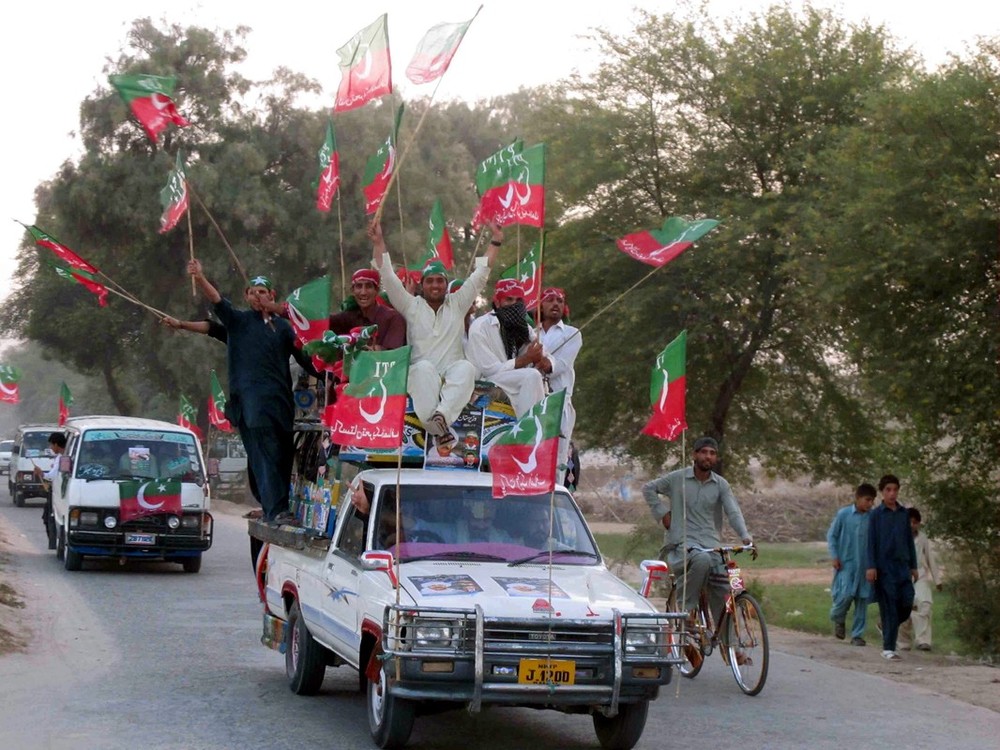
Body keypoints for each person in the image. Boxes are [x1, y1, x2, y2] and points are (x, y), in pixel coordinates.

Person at [187, 259, 320, 524]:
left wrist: (332, 370)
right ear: (246, 296)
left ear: (272, 295)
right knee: (266, 454)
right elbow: (217, 302)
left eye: (263, 291)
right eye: (252, 292)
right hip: (252, 406)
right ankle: (276, 511)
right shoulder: (238, 322)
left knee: (281, 457)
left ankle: (270, 504)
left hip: (281, 405)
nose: (257, 296)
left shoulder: (284, 327)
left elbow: (307, 359)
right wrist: (200, 277)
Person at [371, 221, 502, 449]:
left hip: (451, 373)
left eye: (440, 281)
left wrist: (496, 241)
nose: (435, 285)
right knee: (423, 369)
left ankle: (440, 419)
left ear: (446, 284)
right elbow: (388, 276)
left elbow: (481, 274)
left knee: (467, 368)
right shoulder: (410, 305)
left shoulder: (458, 303)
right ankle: (439, 429)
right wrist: (379, 242)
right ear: (422, 285)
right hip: (421, 375)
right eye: (430, 281)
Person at [642, 436, 753, 666]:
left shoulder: (720, 484)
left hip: (711, 544)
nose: (707, 457)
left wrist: (745, 537)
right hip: (681, 545)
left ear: (716, 457)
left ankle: (730, 646)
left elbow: (733, 511)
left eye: (712, 453)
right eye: (703, 452)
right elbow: (649, 488)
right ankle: (685, 612)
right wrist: (662, 514)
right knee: (701, 560)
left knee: (725, 586)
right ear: (694, 455)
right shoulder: (678, 479)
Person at [465, 279, 547, 418]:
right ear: (497, 302)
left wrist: (543, 358)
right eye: (509, 299)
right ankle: (528, 427)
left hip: (511, 379)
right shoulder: (480, 327)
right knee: (531, 376)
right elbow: (490, 370)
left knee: (536, 377)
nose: (514, 304)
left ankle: (536, 425)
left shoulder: (523, 327)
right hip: (486, 382)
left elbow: (541, 351)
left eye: (518, 300)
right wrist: (526, 359)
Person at [866, 473, 917, 661]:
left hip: (902, 567)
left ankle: (885, 625)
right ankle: (888, 648)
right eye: (888, 490)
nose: (892, 493)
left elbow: (909, 541)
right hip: (884, 568)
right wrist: (871, 566)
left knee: (907, 602)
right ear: (882, 492)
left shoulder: (904, 514)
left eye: (895, 490)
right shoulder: (876, 515)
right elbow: (871, 542)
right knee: (889, 607)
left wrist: (913, 565)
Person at [535, 287, 582, 483]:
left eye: (560, 301)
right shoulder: (530, 333)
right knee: (532, 453)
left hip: (559, 402)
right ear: (541, 306)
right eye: (550, 300)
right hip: (533, 402)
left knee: (557, 459)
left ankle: (554, 497)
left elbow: (558, 366)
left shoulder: (572, 334)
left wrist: (536, 360)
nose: (555, 304)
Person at [827, 483, 876, 646]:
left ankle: (857, 635)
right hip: (846, 564)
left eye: (872, 500)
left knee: (862, 599)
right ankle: (838, 618)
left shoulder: (873, 517)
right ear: (858, 498)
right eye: (867, 500)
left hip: (866, 566)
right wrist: (834, 556)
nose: (870, 504)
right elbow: (832, 536)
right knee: (845, 595)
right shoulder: (844, 514)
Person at [898, 507, 942, 651]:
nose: (912, 525)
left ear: (918, 523)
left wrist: (937, 580)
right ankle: (903, 642)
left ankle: (923, 640)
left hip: (920, 575)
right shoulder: (898, 536)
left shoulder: (922, 537)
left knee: (924, 603)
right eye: (909, 522)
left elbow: (930, 558)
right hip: (901, 576)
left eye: (915, 522)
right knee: (904, 607)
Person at [33, 431, 65, 550]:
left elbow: (52, 476)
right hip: (56, 491)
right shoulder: (60, 457)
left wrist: (41, 473)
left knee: (49, 517)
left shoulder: (62, 458)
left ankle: (54, 542)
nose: (51, 448)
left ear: (56, 444)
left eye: (51, 445)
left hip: (57, 494)